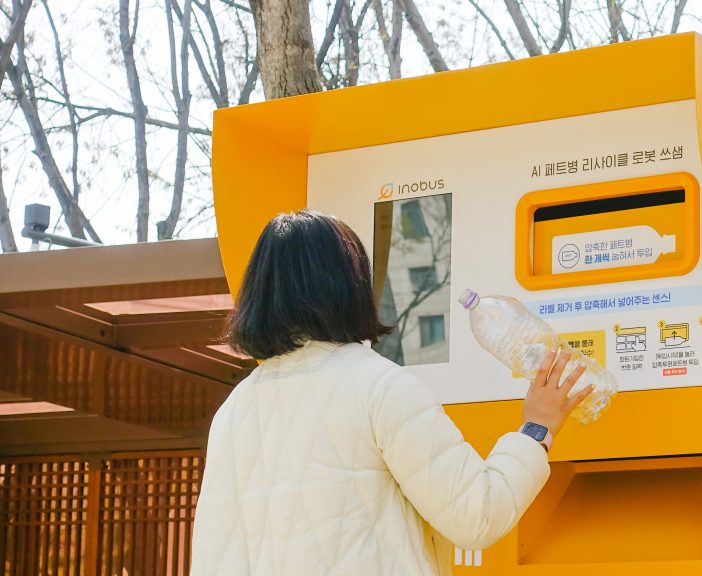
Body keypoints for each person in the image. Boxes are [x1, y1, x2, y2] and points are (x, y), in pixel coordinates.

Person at [189, 209, 592, 576]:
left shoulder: (234, 409)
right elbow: (477, 515)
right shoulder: (379, 386)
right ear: (350, 284)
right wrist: (537, 429)